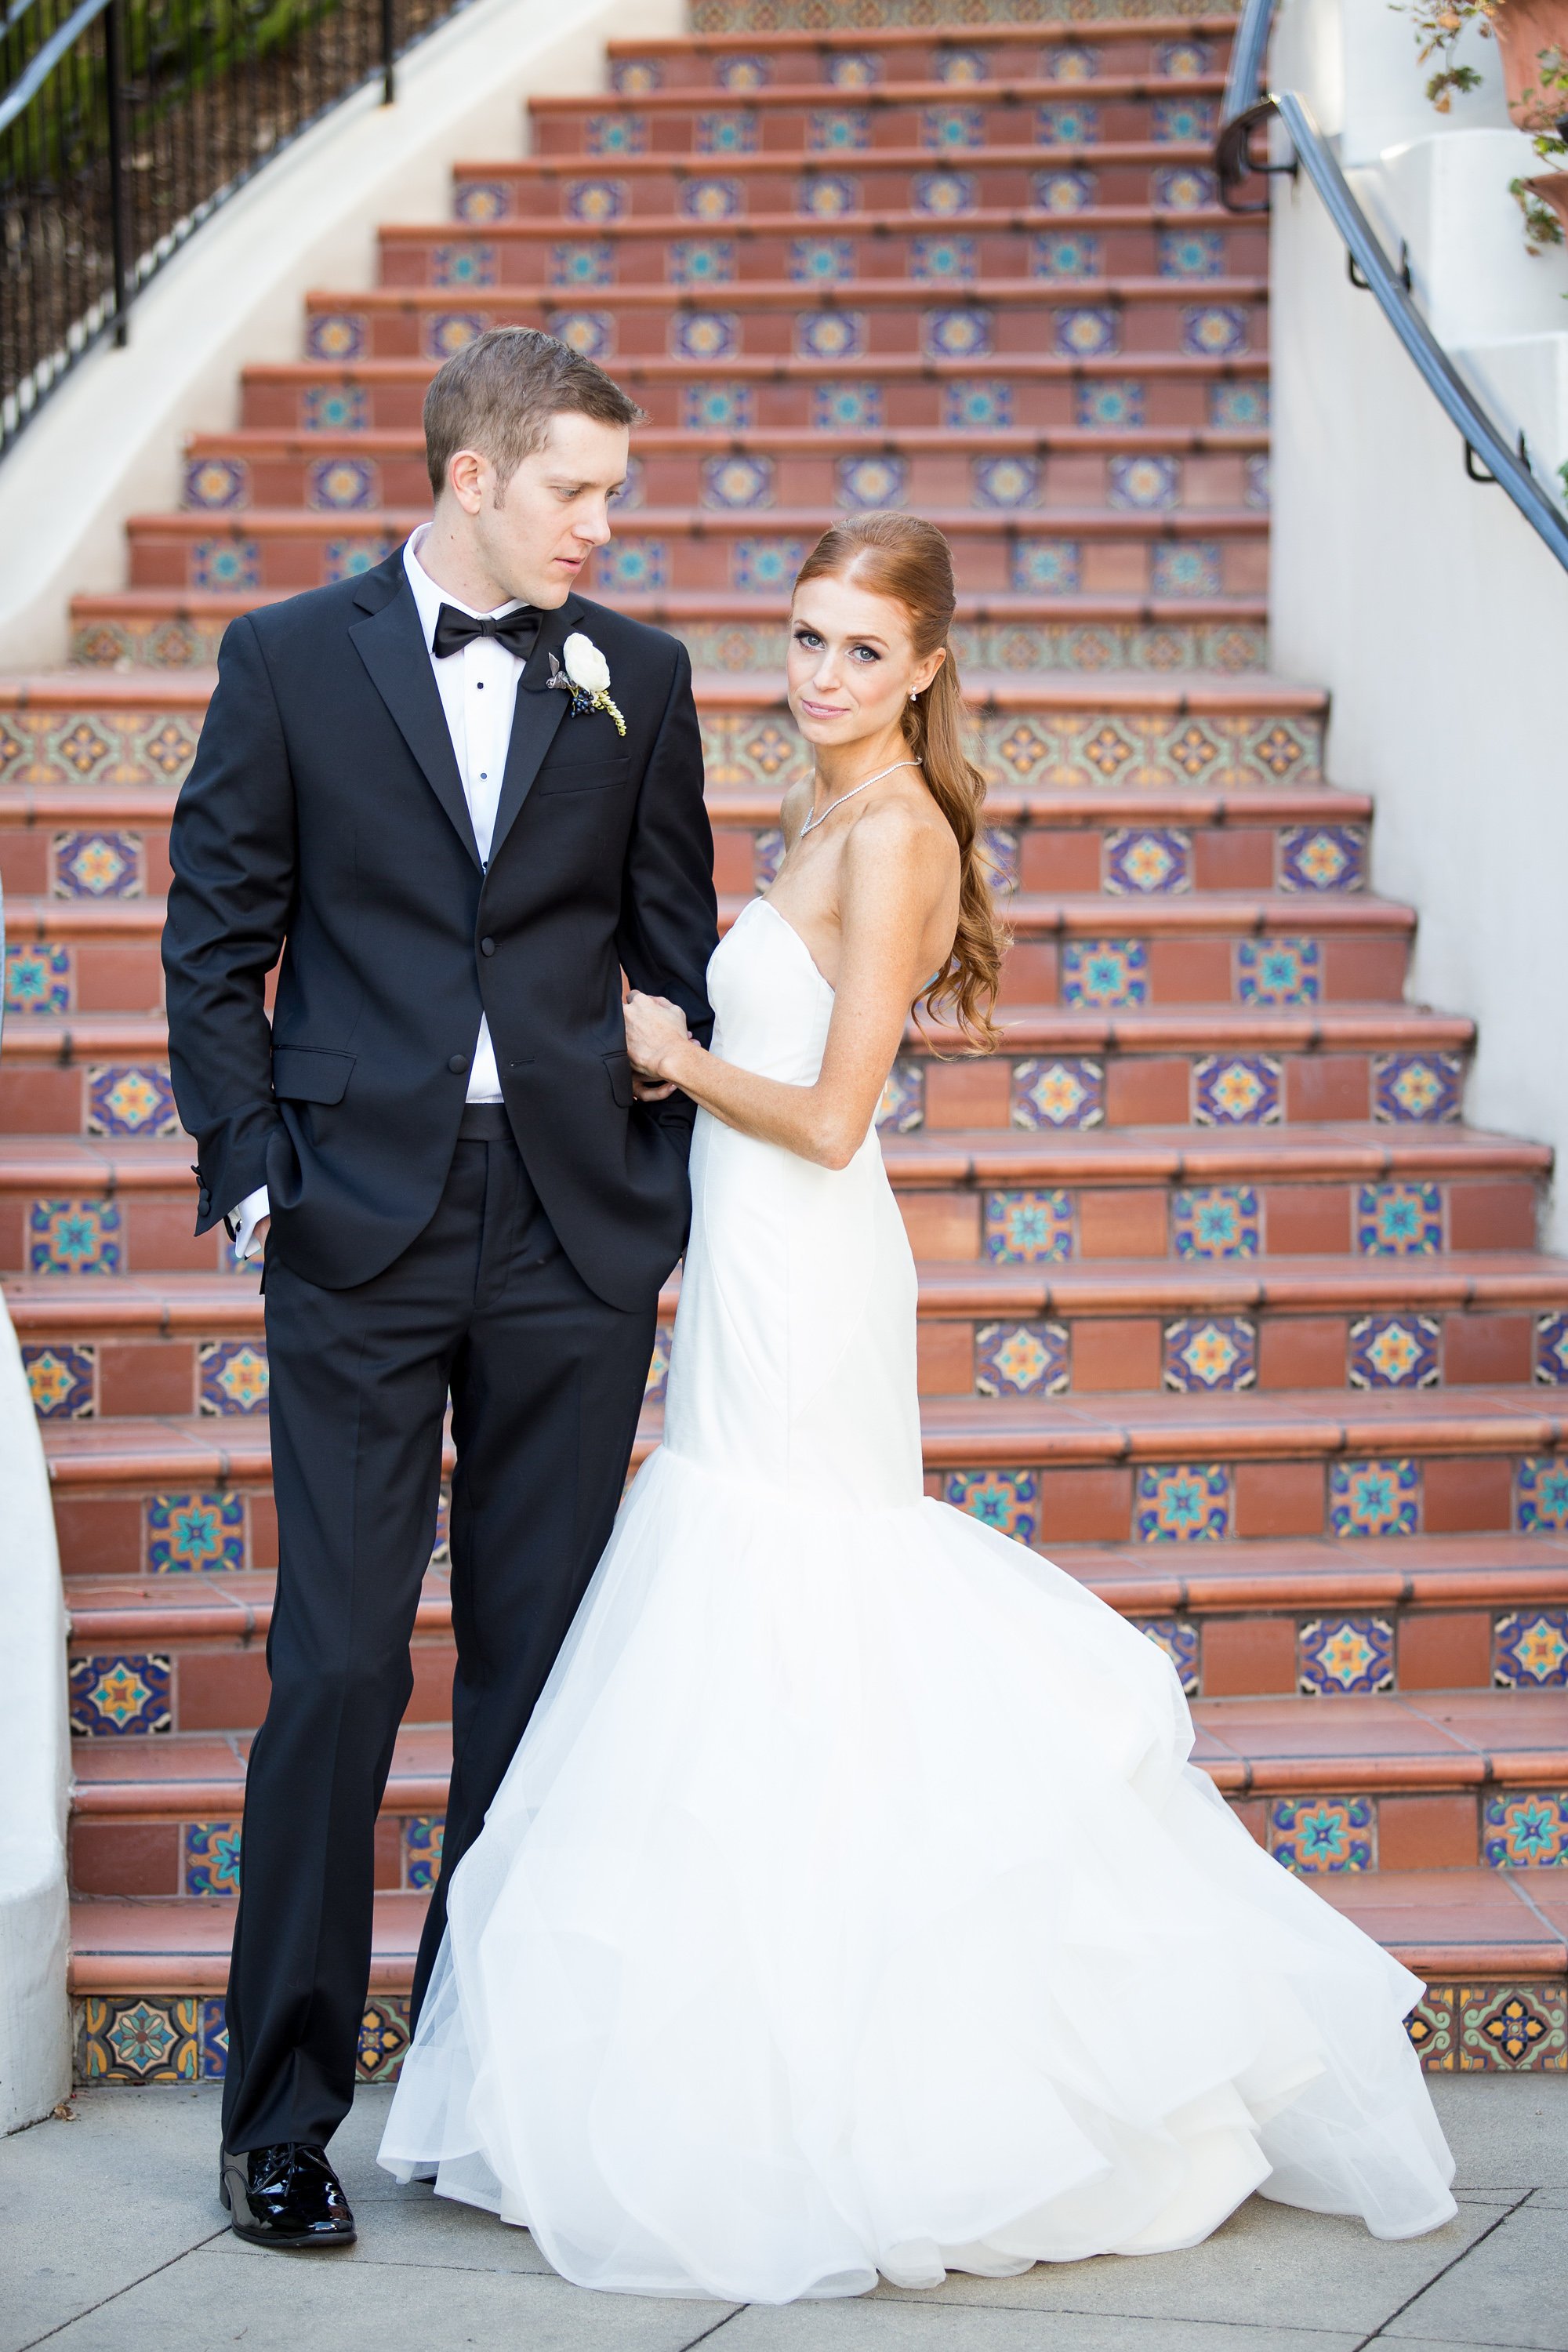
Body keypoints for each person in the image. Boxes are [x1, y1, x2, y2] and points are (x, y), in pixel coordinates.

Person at [378, 513, 1457, 2297]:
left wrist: (665, 1053)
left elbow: (827, 1114)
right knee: (756, 1607)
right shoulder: (825, 808)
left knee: (800, 1597)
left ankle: (869, 2090)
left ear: (928, 668)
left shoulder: (894, 833)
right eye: (804, 640)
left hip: (804, 1258)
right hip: (747, 1259)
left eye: (862, 652)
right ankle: (740, 2060)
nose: (820, 678)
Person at [161, 325, 718, 2250]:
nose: (605, 524)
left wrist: (654, 1176)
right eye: (578, 488)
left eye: (613, 493)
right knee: (335, 1663)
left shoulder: (637, 676)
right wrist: (253, 1183)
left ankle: (482, 2087)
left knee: (537, 1674)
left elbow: (669, 949)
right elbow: (214, 934)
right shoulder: (288, 661)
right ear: (471, 479)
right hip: (356, 1223)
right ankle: (284, 2114)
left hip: (572, 1231)